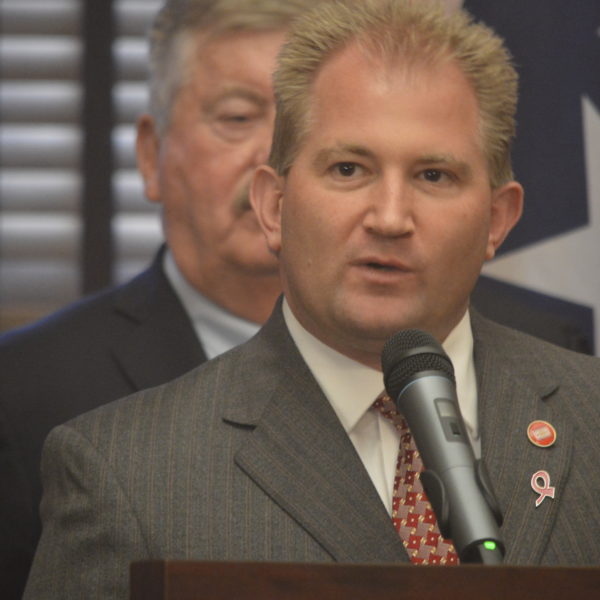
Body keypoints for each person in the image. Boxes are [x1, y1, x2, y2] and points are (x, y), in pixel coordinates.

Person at [23, 0, 600, 597]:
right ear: (274, 207)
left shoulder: (592, 418)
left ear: (497, 221)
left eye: (434, 176)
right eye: (349, 169)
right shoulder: (125, 471)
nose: (391, 217)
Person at [0, 1, 319, 597]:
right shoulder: (20, 392)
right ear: (152, 155)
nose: (274, 159)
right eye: (237, 116)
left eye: (306, 121)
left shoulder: (503, 356)